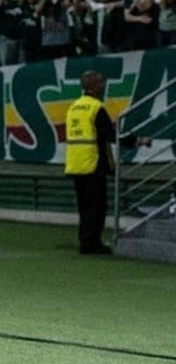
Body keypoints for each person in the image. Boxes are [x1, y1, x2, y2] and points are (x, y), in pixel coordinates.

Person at [64, 70, 150, 255]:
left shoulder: (74, 106)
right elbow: (110, 135)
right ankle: (91, 244)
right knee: (97, 206)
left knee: (84, 207)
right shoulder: (96, 107)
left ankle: (86, 241)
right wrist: (137, 141)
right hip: (93, 162)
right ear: (93, 86)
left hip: (75, 162)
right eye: (101, 82)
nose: (103, 85)